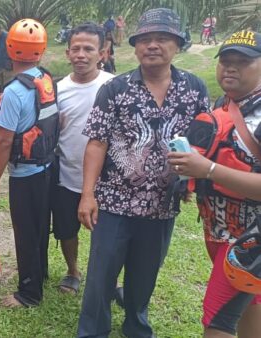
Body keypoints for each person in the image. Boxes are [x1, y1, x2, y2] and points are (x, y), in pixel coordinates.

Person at [76, 8, 209, 338]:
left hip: (162, 206)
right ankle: (92, 331)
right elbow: (97, 142)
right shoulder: (116, 89)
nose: (153, 46)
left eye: (162, 39)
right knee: (100, 278)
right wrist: (88, 194)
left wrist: (192, 180)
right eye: (145, 39)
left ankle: (136, 327)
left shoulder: (194, 88)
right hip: (114, 203)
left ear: (177, 44)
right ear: (134, 47)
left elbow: (204, 138)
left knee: (144, 276)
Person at [168, 30, 261, 338]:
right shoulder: (225, 103)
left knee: (218, 316)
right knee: (249, 305)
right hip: (221, 230)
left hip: (251, 239)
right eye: (226, 61)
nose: (231, 68)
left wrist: (207, 169)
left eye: (242, 62)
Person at [0, 18, 57, 308]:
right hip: (46, 167)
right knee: (40, 226)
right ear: (41, 50)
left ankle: (29, 293)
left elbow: (3, 142)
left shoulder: (14, 91)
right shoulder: (45, 78)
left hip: (25, 174)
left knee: (25, 231)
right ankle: (41, 273)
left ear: (10, 48)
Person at [53, 23, 114, 294]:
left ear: (102, 53)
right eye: (75, 49)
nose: (81, 54)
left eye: (88, 49)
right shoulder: (57, 89)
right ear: (67, 53)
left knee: (109, 235)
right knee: (67, 230)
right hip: (67, 174)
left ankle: (109, 279)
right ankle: (73, 270)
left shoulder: (113, 86)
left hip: (107, 179)